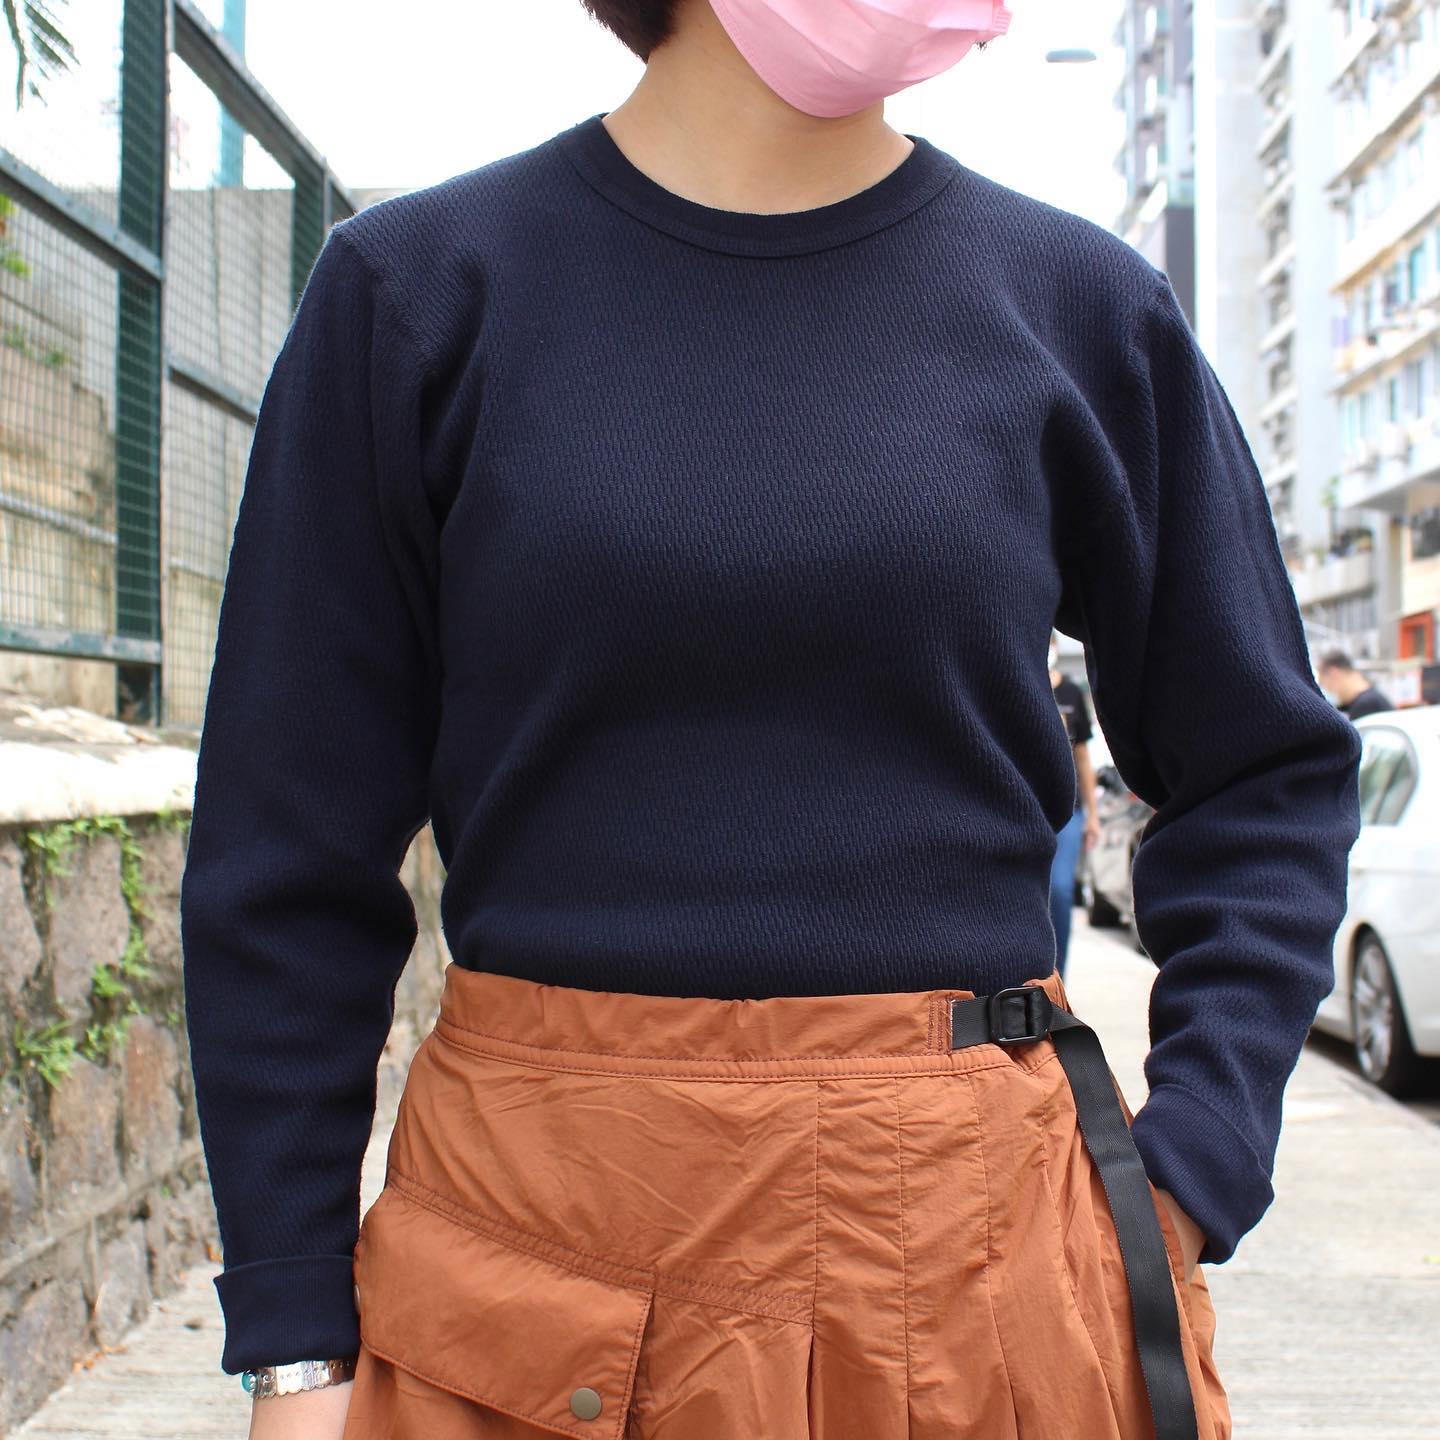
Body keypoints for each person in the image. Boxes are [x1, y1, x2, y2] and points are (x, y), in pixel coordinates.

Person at [178, 2, 1364, 1436]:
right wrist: (295, 1337)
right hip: (531, 1265)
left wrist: (1194, 1163)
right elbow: (285, 854)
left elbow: (1265, 769)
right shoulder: (420, 294)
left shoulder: (1081, 309)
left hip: (979, 1260)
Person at [1048, 630, 1100, 979]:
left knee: (1061, 890)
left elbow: (1082, 756)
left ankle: (1059, 982)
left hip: (1069, 810)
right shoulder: (1021, 683)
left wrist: (1093, 815)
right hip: (1027, 808)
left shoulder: (1070, 693)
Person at [1316, 649, 1395, 721]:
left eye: (1323, 684)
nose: (1326, 690)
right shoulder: (1367, 699)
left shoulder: (1366, 704)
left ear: (1334, 674)